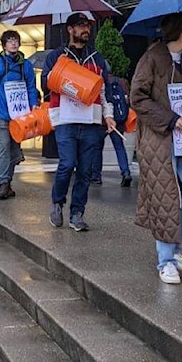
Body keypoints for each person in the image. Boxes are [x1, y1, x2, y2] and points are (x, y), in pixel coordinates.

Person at [130, 12, 182, 284]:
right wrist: (169, 119)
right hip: (161, 141)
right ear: (181, 30)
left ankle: (176, 247)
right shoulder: (152, 57)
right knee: (168, 198)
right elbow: (138, 98)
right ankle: (165, 260)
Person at [43, 13, 117, 232]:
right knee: (67, 164)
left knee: (85, 170)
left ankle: (77, 213)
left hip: (91, 121)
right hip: (65, 119)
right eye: (81, 26)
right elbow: (46, 83)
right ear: (70, 29)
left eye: (87, 26)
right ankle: (57, 202)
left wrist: (109, 115)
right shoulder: (57, 56)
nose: (86, 29)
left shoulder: (97, 58)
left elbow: (105, 91)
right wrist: (70, 78)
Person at [0, 30, 40, 199]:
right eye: (10, 41)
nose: (13, 43)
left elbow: (31, 86)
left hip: (19, 114)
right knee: (4, 144)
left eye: (16, 40)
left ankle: (8, 182)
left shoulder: (26, 65)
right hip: (0, 111)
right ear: (4, 44)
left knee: (14, 148)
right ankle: (3, 183)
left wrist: (34, 104)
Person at [90, 73, 133, 187]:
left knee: (98, 148)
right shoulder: (120, 82)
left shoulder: (99, 81)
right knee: (119, 147)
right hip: (118, 121)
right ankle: (126, 172)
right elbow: (127, 100)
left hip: (102, 120)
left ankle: (96, 176)